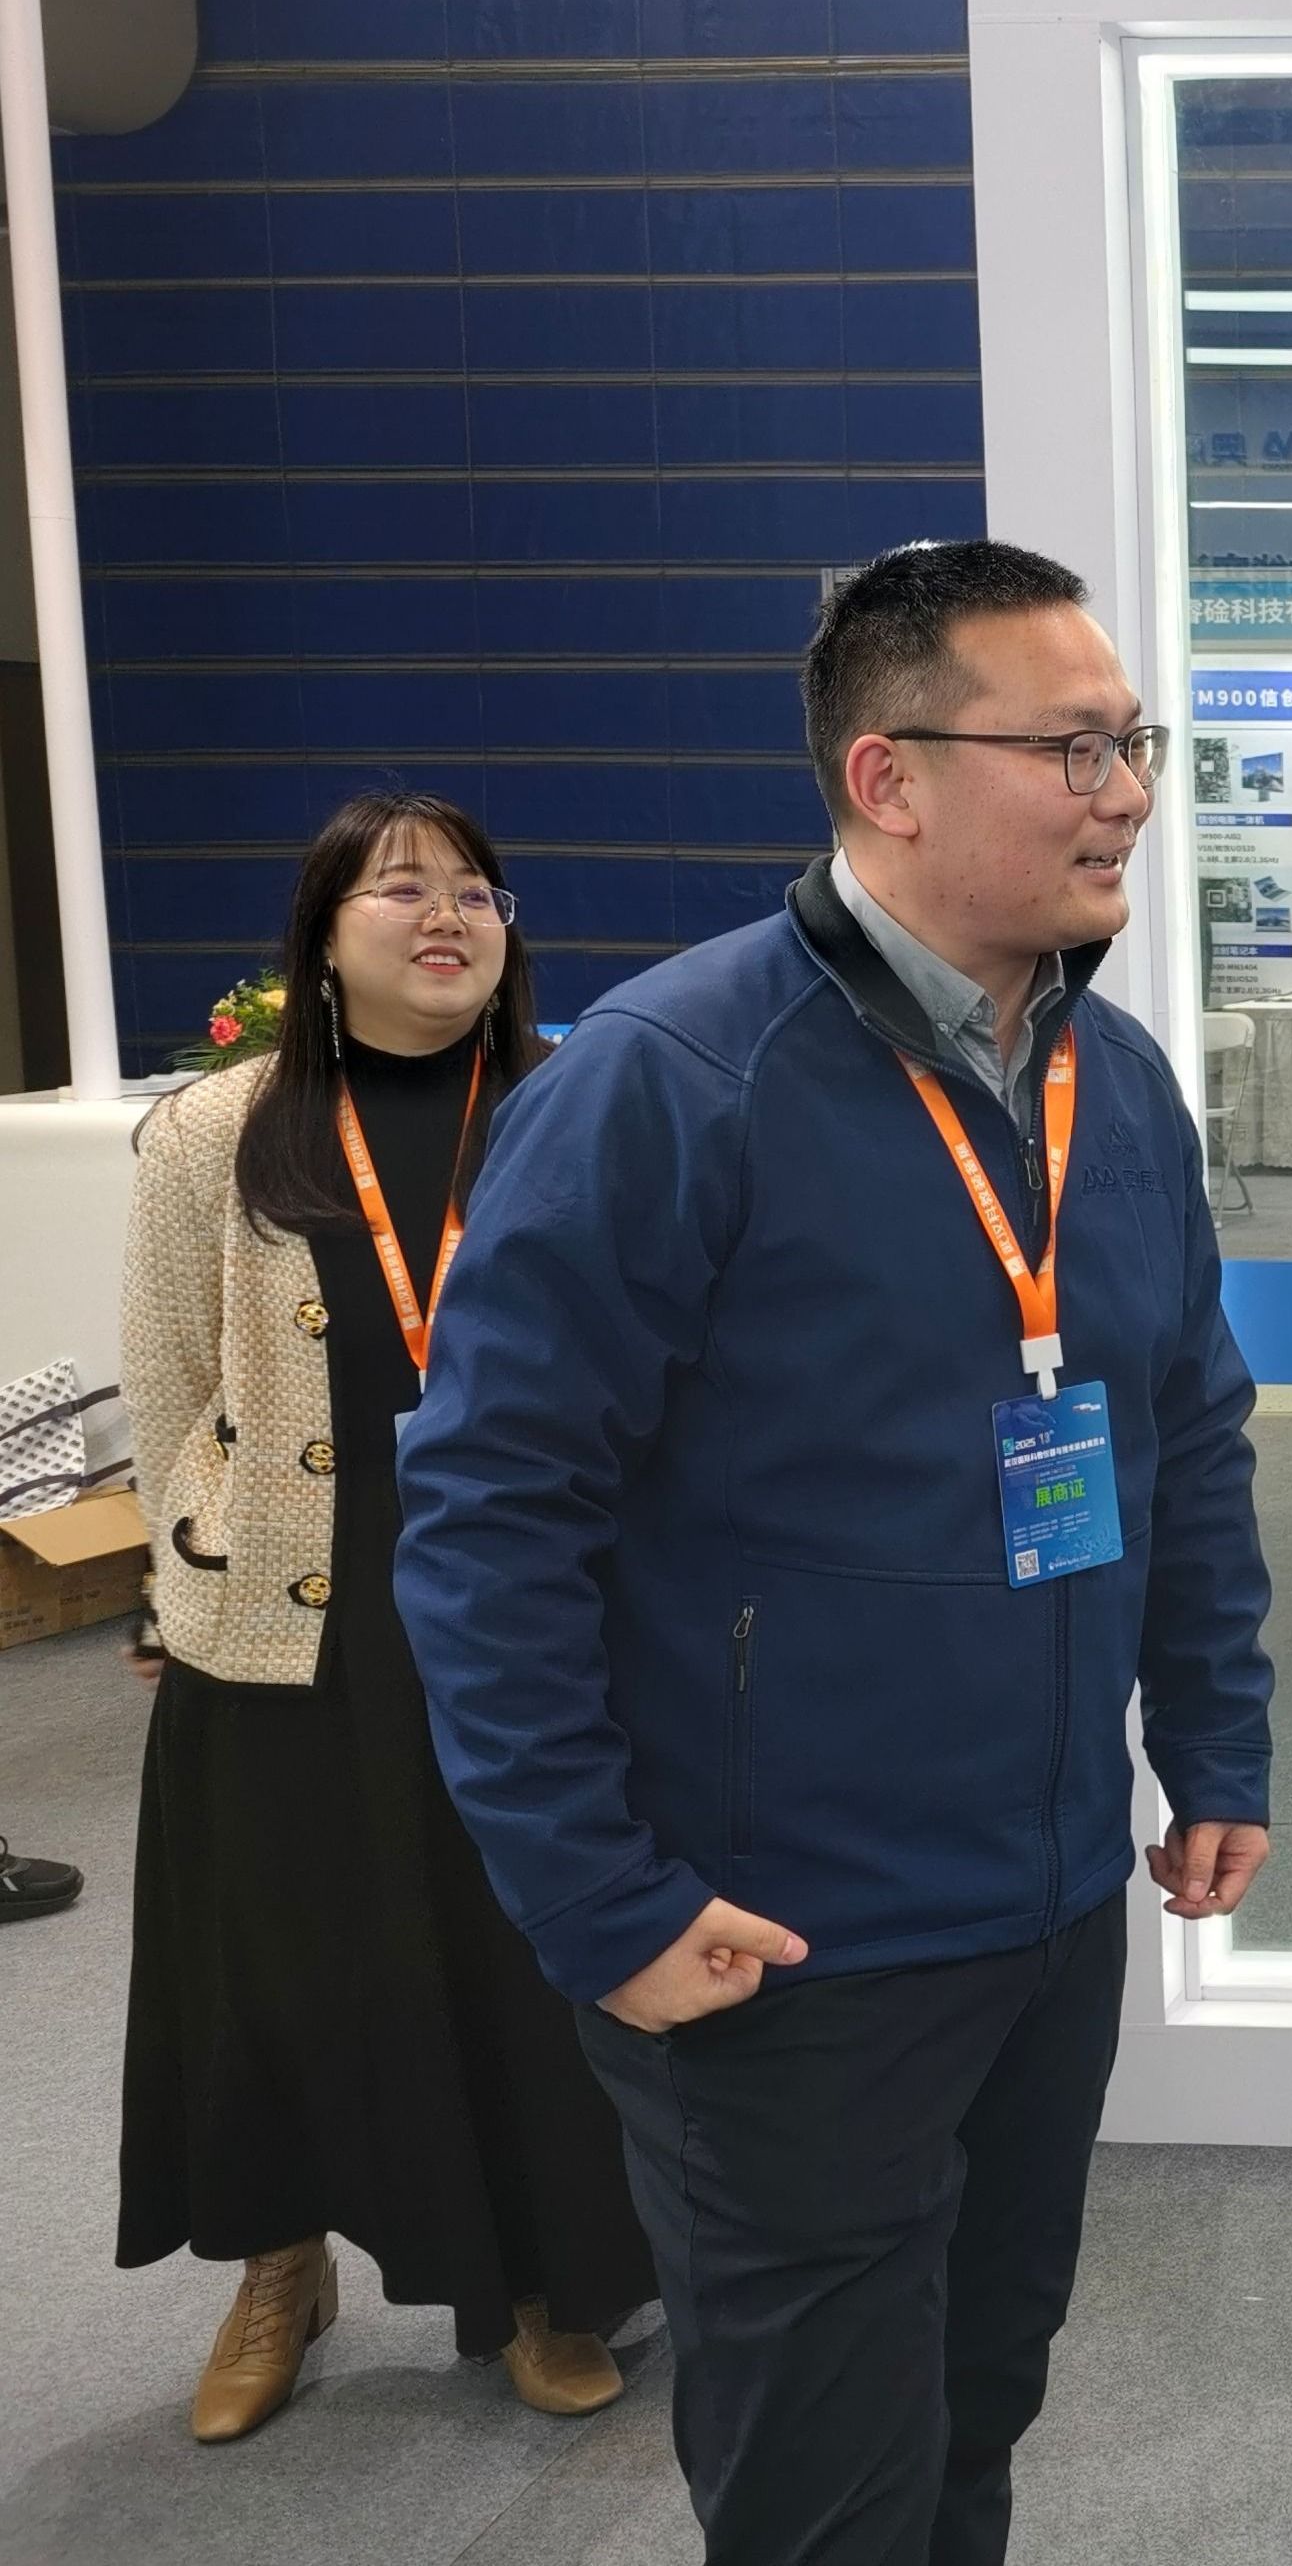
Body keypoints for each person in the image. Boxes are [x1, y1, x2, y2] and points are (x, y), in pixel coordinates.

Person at [392, 539, 1276, 2566]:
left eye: (1133, 742)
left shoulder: (1113, 1078)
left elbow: (1189, 1430)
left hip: (1047, 1900)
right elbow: (488, 1519)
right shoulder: (673, 1079)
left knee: (974, 2403)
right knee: (825, 2487)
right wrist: (598, 1899)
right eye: (1072, 748)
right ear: (889, 778)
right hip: (777, 1939)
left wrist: (1213, 1737)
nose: (1128, 793)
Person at [113, 788, 651, 2442]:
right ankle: (280, 2264)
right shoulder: (218, 1131)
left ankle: (553, 2276)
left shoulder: (573, 1107)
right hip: (297, 1605)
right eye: (402, 890)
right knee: (277, 1955)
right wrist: (183, 1568)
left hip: (530, 1605)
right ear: (322, 934)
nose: (448, 917)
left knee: (524, 1944)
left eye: (477, 892)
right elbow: (171, 1379)